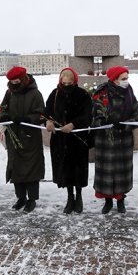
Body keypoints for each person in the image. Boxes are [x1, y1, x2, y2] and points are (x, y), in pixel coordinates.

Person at [91, 66, 138, 214]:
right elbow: (93, 117)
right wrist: (103, 123)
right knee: (107, 173)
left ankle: (121, 201)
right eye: (123, 79)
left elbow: (136, 116)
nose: (126, 81)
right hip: (105, 141)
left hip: (123, 141)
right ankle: (108, 202)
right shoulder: (101, 94)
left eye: (127, 78)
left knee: (121, 173)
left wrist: (124, 125)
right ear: (114, 79)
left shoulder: (130, 93)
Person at [0, 66, 46, 213]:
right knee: (16, 168)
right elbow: (3, 108)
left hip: (30, 137)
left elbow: (41, 114)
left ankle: (32, 199)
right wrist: (5, 116)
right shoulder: (9, 92)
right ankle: (21, 198)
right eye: (12, 81)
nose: (14, 83)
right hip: (14, 136)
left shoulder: (35, 93)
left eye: (17, 80)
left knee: (31, 169)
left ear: (24, 78)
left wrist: (27, 119)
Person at [45, 67, 92, 214]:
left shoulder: (82, 94)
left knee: (77, 169)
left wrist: (74, 124)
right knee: (65, 170)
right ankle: (69, 197)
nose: (66, 85)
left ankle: (79, 197)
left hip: (77, 140)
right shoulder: (55, 93)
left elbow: (87, 115)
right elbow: (46, 112)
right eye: (63, 82)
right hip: (61, 140)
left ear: (74, 81)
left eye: (69, 82)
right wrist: (48, 122)